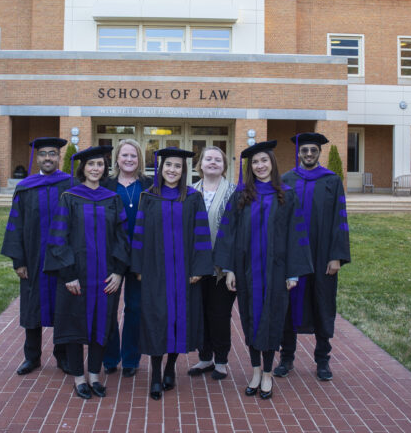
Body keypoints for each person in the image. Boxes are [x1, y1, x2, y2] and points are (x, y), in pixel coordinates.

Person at [214, 140, 312, 400]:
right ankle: (255, 371)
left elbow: (296, 235)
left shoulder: (287, 195)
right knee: (250, 320)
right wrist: (230, 269)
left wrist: (293, 272)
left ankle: (268, 374)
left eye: (264, 161)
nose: (259, 166)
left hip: (276, 271)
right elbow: (229, 235)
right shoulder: (241, 195)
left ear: (272, 163)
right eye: (255, 162)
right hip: (247, 272)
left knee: (272, 321)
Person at [43, 146, 129, 399]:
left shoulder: (112, 198)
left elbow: (121, 239)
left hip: (105, 276)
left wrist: (119, 272)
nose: (95, 169)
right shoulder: (69, 197)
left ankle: (94, 375)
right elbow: (59, 238)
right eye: (91, 165)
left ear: (105, 169)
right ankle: (79, 378)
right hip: (76, 276)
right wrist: (68, 273)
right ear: (83, 168)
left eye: (100, 165)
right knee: (74, 324)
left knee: (101, 325)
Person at [130, 148, 214, 400]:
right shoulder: (149, 196)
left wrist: (199, 269)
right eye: (168, 165)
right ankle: (155, 373)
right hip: (155, 272)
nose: (172, 170)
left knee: (180, 319)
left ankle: (170, 369)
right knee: (157, 320)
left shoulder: (192, 197)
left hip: (185, 273)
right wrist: (139, 268)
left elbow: (202, 234)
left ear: (183, 170)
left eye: (177, 166)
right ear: (160, 168)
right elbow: (139, 234)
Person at [277, 133, 351, 381]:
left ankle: (322, 360)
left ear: (320, 152)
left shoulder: (331, 181)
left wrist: (337, 257)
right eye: (305, 150)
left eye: (313, 150)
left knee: (323, 304)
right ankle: (286, 358)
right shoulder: (286, 180)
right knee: (288, 306)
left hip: (322, 255)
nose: (309, 154)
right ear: (298, 152)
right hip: (293, 255)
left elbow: (340, 219)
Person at [1, 137, 72, 376]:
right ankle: (31, 357)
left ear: (59, 157)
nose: (48, 158)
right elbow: (15, 225)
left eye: (53, 153)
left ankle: (62, 356)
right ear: (36, 158)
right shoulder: (26, 187)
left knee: (63, 307)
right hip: (33, 260)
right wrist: (18, 261)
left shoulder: (70, 185)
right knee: (32, 308)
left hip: (62, 260)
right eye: (43, 154)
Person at [102, 139, 152, 377]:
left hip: (141, 255)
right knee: (109, 308)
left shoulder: (150, 185)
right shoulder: (105, 185)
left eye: (133, 156)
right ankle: (110, 357)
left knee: (135, 307)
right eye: (125, 155)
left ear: (139, 159)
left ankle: (131, 359)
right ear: (117, 159)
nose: (129, 159)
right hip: (111, 256)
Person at [187, 146, 238, 380]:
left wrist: (231, 268)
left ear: (224, 165)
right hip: (197, 266)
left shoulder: (234, 192)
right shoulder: (189, 191)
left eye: (218, 159)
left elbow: (238, 232)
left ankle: (222, 360)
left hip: (221, 266)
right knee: (200, 313)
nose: (213, 162)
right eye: (208, 158)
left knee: (219, 313)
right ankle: (205, 357)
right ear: (200, 164)